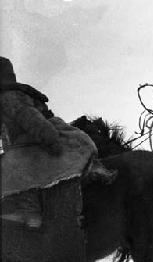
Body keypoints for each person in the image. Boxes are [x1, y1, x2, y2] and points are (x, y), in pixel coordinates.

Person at [0, 56, 115, 228]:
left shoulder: (10, 97)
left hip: (55, 142)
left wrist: (51, 142)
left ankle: (30, 211)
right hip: (37, 144)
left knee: (12, 170)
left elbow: (34, 122)